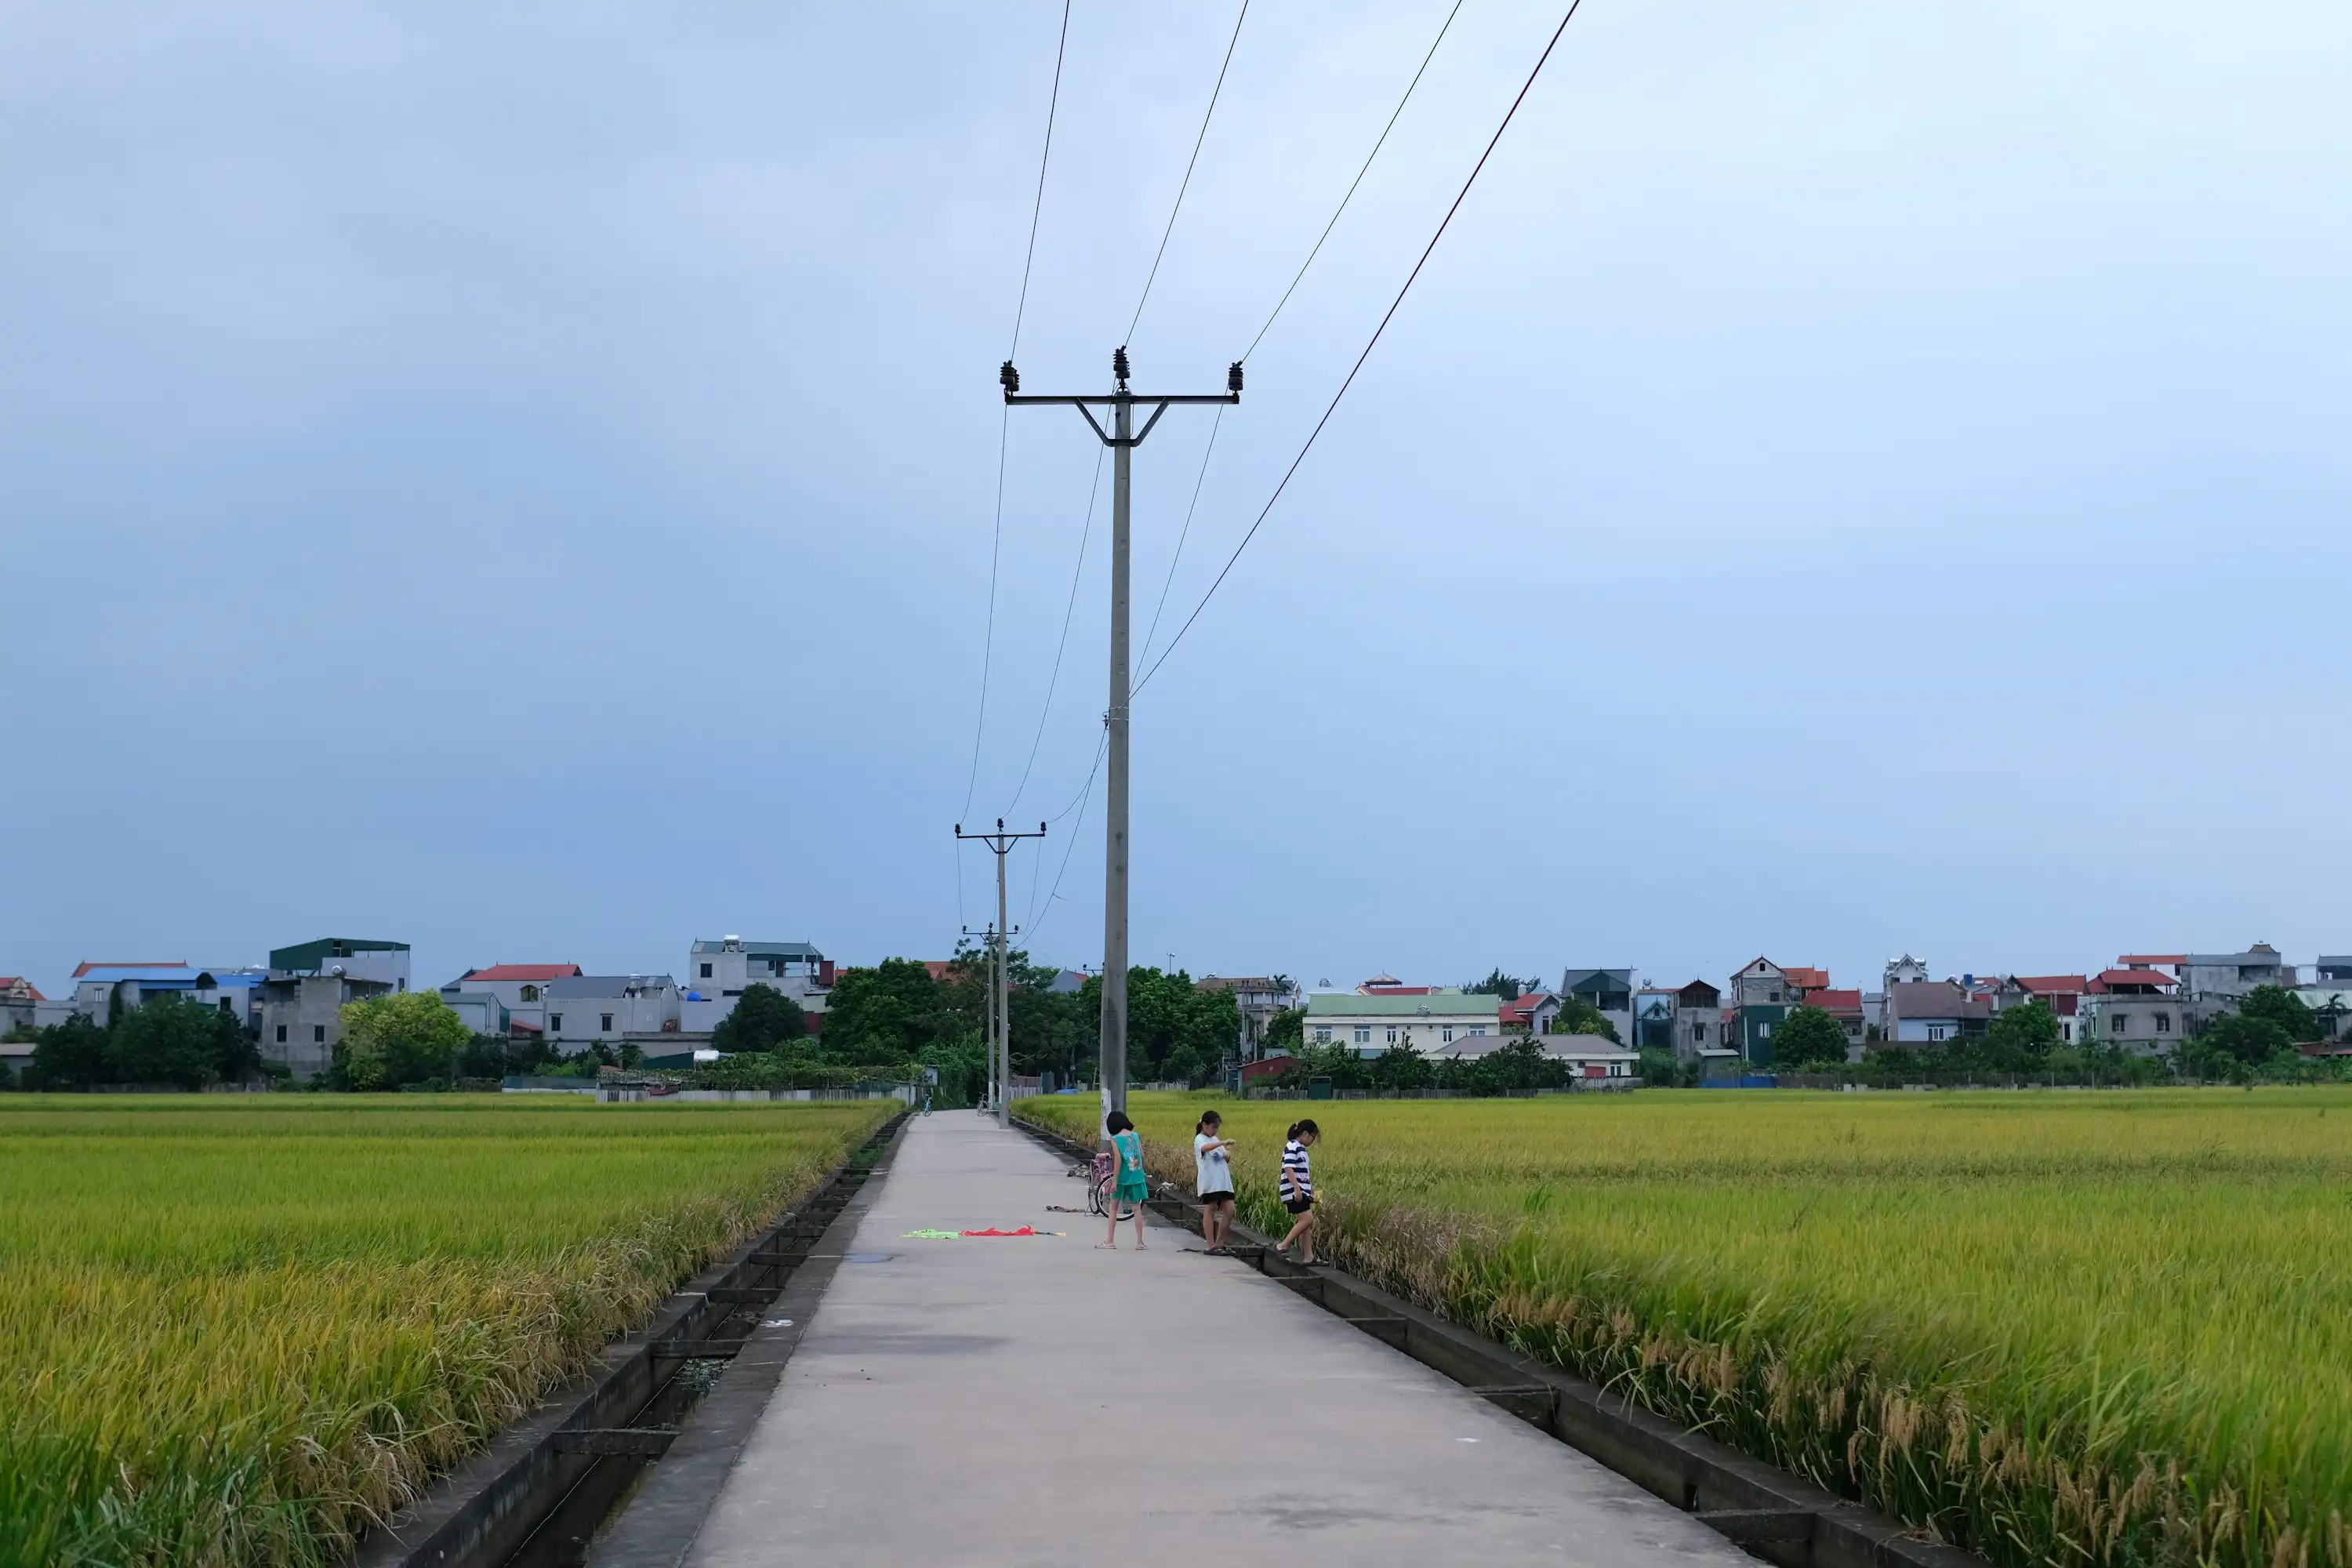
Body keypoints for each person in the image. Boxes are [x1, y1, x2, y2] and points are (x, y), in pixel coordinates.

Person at [1098, 1111, 1150, 1250]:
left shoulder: (1115, 1139)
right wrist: (1142, 1172)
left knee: (1113, 1207)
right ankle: (1140, 1243)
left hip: (1122, 1178)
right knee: (1137, 1208)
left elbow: (1118, 1160)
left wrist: (1114, 1181)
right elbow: (1142, 1155)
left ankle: (1110, 1241)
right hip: (1137, 1176)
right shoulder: (1135, 1135)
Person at [1193, 1110, 1238, 1254]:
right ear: (1204, 1125)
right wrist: (1222, 1143)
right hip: (1210, 1182)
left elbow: (1227, 1156)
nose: (1215, 1130)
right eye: (1213, 1127)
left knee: (1230, 1210)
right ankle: (1211, 1245)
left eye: (1217, 1127)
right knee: (1210, 1209)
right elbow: (1205, 1149)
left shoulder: (1215, 1139)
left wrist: (1225, 1153)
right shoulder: (1200, 1139)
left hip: (1223, 1181)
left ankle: (1220, 1242)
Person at [1277, 1119, 1319, 1264]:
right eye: (1313, 1137)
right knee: (1308, 1220)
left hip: (1301, 1191)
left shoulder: (1300, 1149)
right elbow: (1288, 1168)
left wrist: (1310, 1190)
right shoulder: (1293, 1146)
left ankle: (1309, 1256)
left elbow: (1303, 1174)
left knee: (1304, 1224)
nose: (1313, 1141)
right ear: (1305, 1134)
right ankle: (1284, 1245)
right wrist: (1297, 1189)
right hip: (1294, 1192)